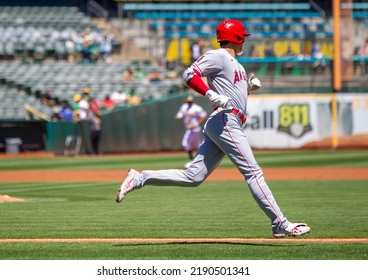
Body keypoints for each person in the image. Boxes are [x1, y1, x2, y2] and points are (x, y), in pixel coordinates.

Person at [115, 19, 311, 238]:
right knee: (253, 172)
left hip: (228, 120)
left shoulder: (237, 64)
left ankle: (140, 178)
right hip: (225, 121)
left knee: (193, 177)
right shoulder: (217, 56)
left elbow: (232, 96)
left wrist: (248, 89)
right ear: (236, 38)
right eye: (242, 37)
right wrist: (209, 93)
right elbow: (189, 74)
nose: (244, 40)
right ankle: (280, 223)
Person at [175, 95, 207, 168]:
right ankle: (200, 159)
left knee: (187, 143)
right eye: (188, 102)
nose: (189, 103)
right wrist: (178, 116)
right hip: (189, 129)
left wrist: (197, 124)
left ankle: (192, 160)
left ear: (193, 101)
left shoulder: (196, 108)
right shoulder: (184, 107)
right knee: (196, 145)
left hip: (195, 129)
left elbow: (204, 115)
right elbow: (179, 114)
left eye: (190, 102)